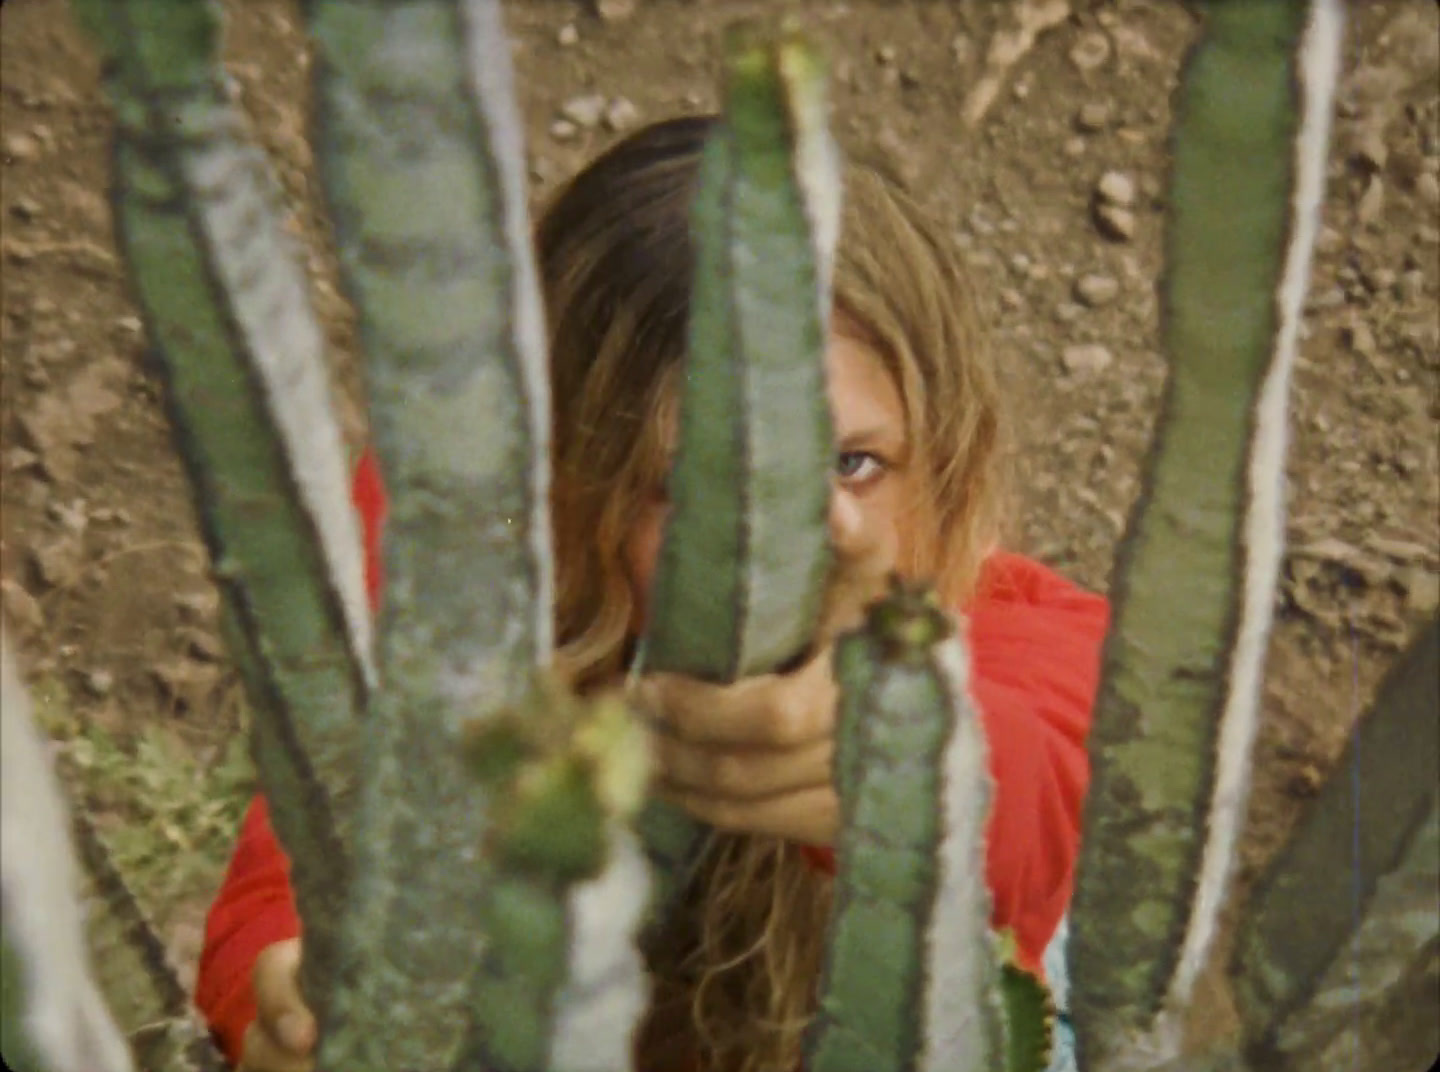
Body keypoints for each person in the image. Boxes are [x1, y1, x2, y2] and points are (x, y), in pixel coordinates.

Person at [195, 115, 1110, 1072]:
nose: (804, 537)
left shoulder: (1020, 630)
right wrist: (294, 1009)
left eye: (852, 461)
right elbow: (302, 869)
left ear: (947, 452)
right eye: (700, 486)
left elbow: (1049, 765)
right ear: (564, 477)